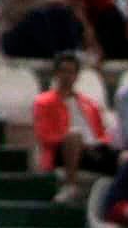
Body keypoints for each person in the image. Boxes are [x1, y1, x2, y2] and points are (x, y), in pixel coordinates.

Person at [34, 52, 119, 203]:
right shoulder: (44, 102)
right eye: (63, 71)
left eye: (71, 72)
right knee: (74, 135)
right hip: (63, 151)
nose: (67, 76)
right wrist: (76, 142)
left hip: (92, 151)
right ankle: (70, 186)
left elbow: (102, 134)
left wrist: (99, 144)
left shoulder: (89, 104)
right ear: (56, 73)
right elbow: (45, 136)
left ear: (77, 75)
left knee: (126, 157)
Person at [0, 0, 84, 59]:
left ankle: (70, 53)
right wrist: (42, 3)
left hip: (44, 36)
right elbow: (13, 13)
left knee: (63, 12)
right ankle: (55, 54)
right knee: (39, 15)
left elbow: (63, 3)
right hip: (17, 36)